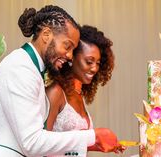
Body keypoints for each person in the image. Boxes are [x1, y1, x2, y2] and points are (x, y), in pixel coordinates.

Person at [0, 5, 120, 157]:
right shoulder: (20, 68)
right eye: (67, 46)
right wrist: (92, 136)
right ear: (46, 35)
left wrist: (93, 143)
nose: (69, 56)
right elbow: (32, 142)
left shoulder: (31, 68)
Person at [45, 25, 125, 156]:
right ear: (71, 58)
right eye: (89, 62)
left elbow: (72, 145)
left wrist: (99, 145)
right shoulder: (56, 92)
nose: (94, 68)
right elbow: (42, 144)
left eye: (98, 63)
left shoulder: (78, 94)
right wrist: (97, 135)